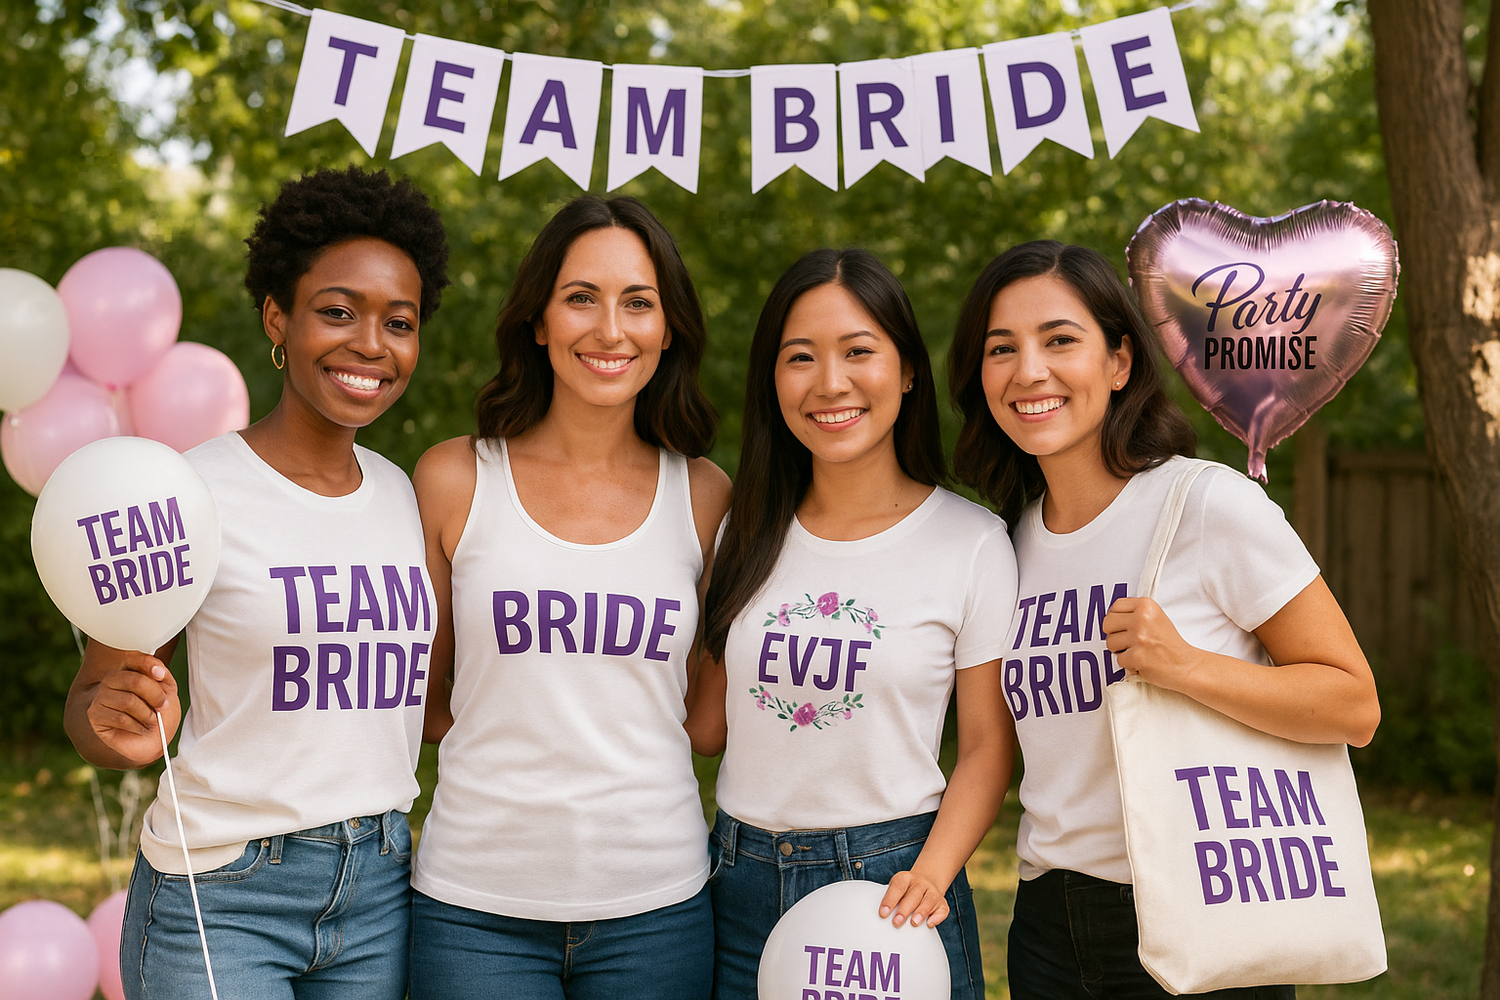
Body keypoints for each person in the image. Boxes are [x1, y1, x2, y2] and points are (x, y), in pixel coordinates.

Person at [946, 240, 1381, 1000]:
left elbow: (1354, 704)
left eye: (1059, 340)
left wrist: (1185, 666)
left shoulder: (1207, 505)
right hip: (1047, 919)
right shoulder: (1003, 543)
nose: (1029, 371)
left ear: (1119, 364)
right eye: (1001, 348)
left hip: (1199, 904)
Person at [64, 165, 450, 999]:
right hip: (226, 889)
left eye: (400, 321)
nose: (371, 345)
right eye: (338, 312)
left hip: (379, 887)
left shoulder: (405, 495)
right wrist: (111, 721)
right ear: (279, 317)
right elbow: (96, 702)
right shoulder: (186, 492)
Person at [408, 194, 729, 1000]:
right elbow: (425, 700)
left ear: (669, 328)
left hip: (657, 908)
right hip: (473, 911)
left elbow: (702, 717)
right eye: (581, 297)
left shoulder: (706, 496)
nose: (610, 330)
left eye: (639, 302)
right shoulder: (453, 479)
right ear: (539, 320)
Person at [687, 248, 1017, 1000]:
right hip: (739, 883)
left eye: (858, 352)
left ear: (906, 370)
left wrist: (930, 875)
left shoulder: (971, 542)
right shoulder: (741, 531)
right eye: (799, 357)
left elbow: (988, 749)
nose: (829, 383)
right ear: (773, 381)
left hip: (897, 880)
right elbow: (705, 726)